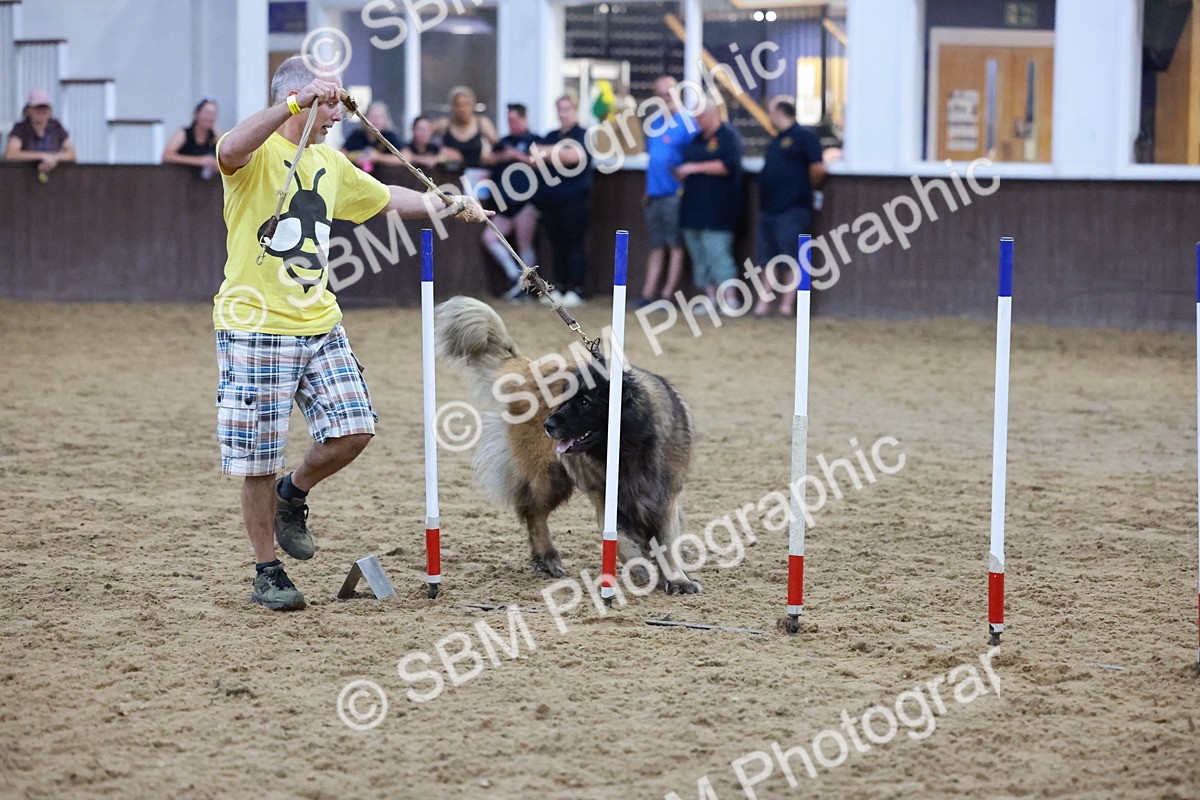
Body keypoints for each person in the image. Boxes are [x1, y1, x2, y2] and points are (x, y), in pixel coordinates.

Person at [213, 55, 489, 611]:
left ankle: (294, 492)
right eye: (330, 102)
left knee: (355, 429)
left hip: (320, 322)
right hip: (255, 326)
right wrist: (295, 102)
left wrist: (445, 203)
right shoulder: (257, 153)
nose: (339, 113)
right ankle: (267, 571)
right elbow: (228, 148)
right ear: (299, 99)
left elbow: (385, 197)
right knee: (258, 461)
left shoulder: (329, 162)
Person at [753, 97, 826, 317]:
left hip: (792, 208)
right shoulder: (776, 140)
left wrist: (801, 189)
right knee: (769, 256)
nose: (768, 117)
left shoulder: (804, 136)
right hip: (770, 208)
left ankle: (787, 305)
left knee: (792, 255)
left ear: (781, 112)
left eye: (770, 112)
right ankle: (763, 304)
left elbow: (818, 168)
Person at [676, 103, 743, 313]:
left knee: (718, 254)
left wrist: (695, 168)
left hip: (718, 211)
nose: (697, 121)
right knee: (699, 257)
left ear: (713, 115)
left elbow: (729, 165)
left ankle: (729, 299)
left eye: (700, 116)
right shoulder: (696, 140)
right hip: (692, 209)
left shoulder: (728, 137)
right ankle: (710, 298)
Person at [636, 76, 695, 309]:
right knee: (657, 245)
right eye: (660, 94)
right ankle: (648, 294)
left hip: (675, 194)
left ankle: (667, 295)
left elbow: (693, 157)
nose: (665, 97)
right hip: (654, 194)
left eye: (668, 92)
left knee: (674, 245)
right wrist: (647, 190)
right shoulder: (654, 125)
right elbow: (653, 159)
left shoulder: (688, 123)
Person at [532, 94, 592, 308]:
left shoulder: (582, 134)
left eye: (567, 109)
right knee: (556, 244)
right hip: (551, 201)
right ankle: (560, 286)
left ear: (575, 110)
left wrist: (547, 152)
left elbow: (572, 157)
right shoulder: (552, 135)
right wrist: (557, 152)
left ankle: (576, 289)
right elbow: (534, 158)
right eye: (560, 109)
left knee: (574, 243)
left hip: (575, 200)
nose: (563, 114)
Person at [482, 103, 540, 301]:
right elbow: (488, 159)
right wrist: (501, 156)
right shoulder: (503, 142)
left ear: (524, 119)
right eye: (509, 121)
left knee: (525, 243)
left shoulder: (534, 141)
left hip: (526, 203)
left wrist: (518, 156)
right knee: (489, 238)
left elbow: (540, 164)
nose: (511, 124)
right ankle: (515, 278)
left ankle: (530, 287)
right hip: (504, 204)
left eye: (514, 120)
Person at [5, 89, 76, 176]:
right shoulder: (20, 128)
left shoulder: (57, 127)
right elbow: (11, 154)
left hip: (55, 177)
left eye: (44, 108)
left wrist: (54, 158)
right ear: (29, 110)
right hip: (24, 177)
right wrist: (42, 156)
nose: (41, 111)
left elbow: (72, 154)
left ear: (49, 110)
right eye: (37, 108)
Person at [434, 86, 499, 169]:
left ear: (473, 106)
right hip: (449, 173)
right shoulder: (444, 124)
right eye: (458, 105)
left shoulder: (482, 123)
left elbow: (498, 146)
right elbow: (423, 138)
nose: (462, 109)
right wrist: (439, 151)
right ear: (452, 107)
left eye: (466, 105)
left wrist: (489, 155)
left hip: (477, 172)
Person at [162, 97, 221, 178]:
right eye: (207, 113)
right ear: (196, 114)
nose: (209, 117)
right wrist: (198, 161)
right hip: (181, 178)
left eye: (213, 114)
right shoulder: (184, 133)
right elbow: (166, 156)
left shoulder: (214, 137)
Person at [341, 101, 404, 172]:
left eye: (379, 117)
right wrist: (356, 156)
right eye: (372, 116)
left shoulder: (389, 136)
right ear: (364, 119)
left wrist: (378, 157)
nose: (375, 120)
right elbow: (341, 153)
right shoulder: (358, 134)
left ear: (386, 120)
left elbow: (407, 157)